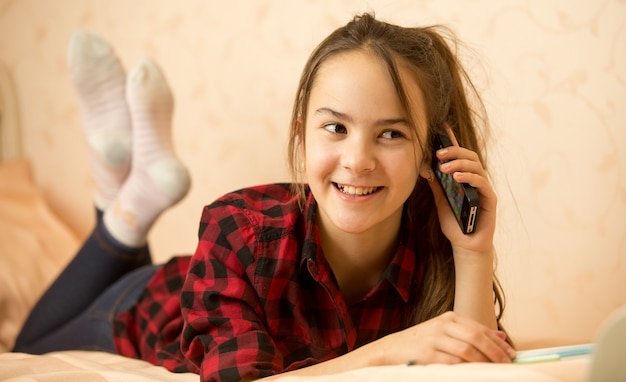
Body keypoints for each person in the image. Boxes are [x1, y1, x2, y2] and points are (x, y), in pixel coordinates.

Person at [13, 12, 516, 381]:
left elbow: (473, 366)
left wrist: (473, 249)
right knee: (23, 346)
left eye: (391, 134)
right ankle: (124, 202)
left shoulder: (430, 246)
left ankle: (129, 185)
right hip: (142, 309)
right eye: (336, 127)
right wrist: (387, 352)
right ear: (302, 136)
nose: (358, 160)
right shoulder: (241, 227)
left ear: (433, 153)